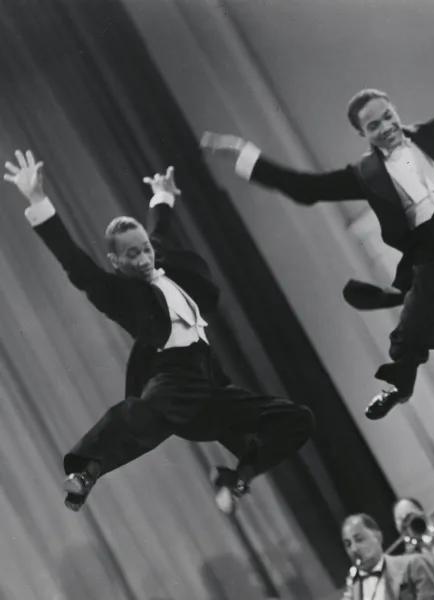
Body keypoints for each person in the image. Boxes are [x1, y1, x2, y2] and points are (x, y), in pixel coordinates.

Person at [201, 11, 434, 421]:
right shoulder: (363, 176)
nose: (385, 127)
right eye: (372, 125)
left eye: (387, 116)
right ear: (361, 135)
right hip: (433, 253)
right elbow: (305, 189)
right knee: (410, 337)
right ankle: (397, 389)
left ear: (395, 112)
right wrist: (245, 155)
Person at [3, 150, 314, 514]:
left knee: (296, 419)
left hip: (210, 383)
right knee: (137, 419)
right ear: (117, 263)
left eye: (145, 250)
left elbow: (158, 229)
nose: (145, 258)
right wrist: (38, 201)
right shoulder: (121, 293)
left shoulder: (158, 258)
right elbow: (76, 263)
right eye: (133, 255)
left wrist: (162, 196)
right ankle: (86, 475)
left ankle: (237, 479)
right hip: (175, 377)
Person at [341, 513, 434, 600]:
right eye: (348, 544)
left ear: (378, 537)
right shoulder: (354, 589)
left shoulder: (414, 564)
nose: (354, 549)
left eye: (359, 539)